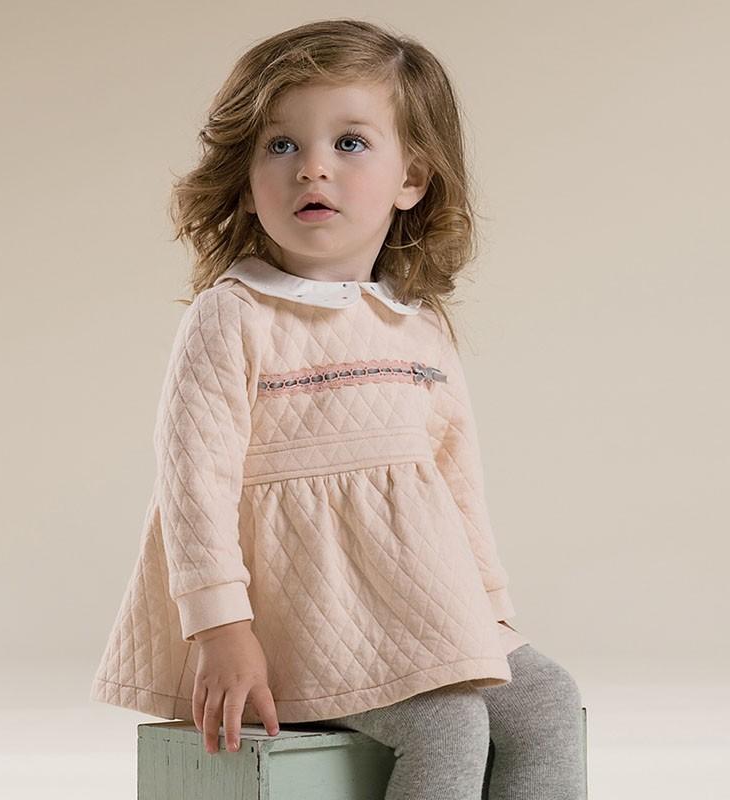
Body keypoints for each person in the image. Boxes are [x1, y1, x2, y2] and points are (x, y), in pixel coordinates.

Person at [90, 18, 586, 800]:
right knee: (448, 723)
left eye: (349, 143)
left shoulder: (417, 325)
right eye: (281, 145)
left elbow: (456, 485)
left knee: (547, 701)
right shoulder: (234, 316)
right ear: (246, 180)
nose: (311, 167)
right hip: (296, 616)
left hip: (415, 603)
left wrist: (486, 610)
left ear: (411, 178)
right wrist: (220, 628)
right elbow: (193, 485)